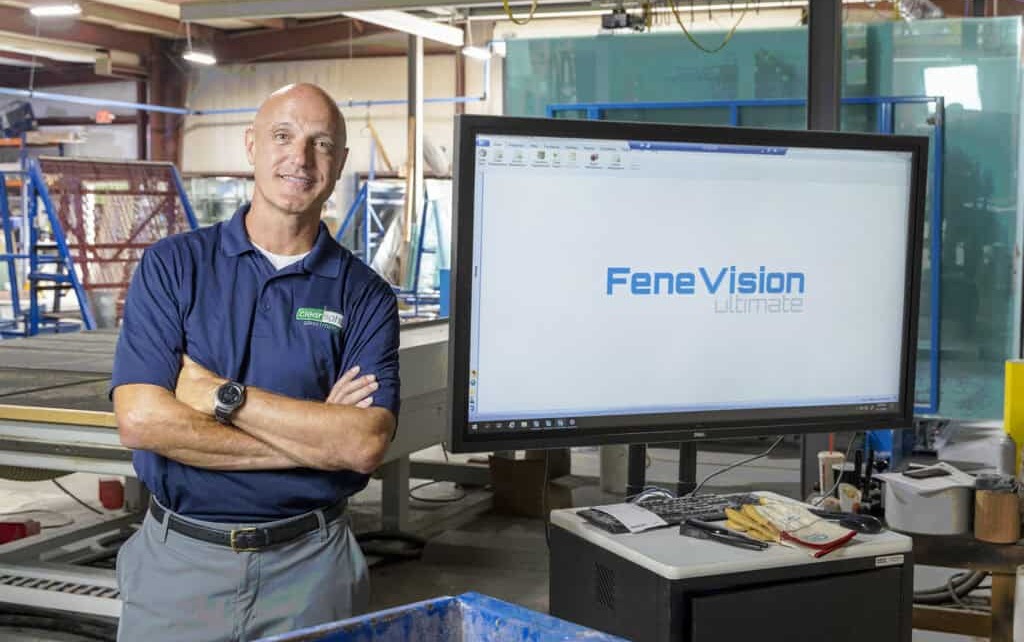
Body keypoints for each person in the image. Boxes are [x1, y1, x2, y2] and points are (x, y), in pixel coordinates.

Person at [111, 83, 400, 641]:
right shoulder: (173, 267)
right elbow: (143, 421)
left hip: (312, 570)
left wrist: (223, 397)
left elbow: (361, 445)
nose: (300, 157)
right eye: (283, 136)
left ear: (338, 164)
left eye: (321, 144)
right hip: (180, 566)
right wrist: (317, 440)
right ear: (251, 144)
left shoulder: (364, 295)